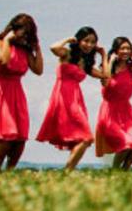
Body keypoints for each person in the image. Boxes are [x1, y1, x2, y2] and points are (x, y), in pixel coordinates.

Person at [36, 27, 107, 169]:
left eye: (93, 42)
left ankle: (68, 171)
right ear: (79, 40)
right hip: (63, 97)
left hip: (76, 99)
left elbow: (106, 77)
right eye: (86, 41)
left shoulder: (86, 62)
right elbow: (53, 48)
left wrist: (103, 55)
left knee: (83, 139)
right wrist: (68, 40)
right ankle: (67, 171)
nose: (89, 45)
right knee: (87, 138)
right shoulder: (67, 54)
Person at [0, 14, 44, 170]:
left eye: (29, 34)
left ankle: (10, 170)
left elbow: (38, 70)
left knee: (20, 137)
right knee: (7, 134)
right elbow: (3, 60)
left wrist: (36, 48)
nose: (26, 36)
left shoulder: (24, 50)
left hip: (16, 91)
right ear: (13, 29)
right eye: (24, 32)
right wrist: (7, 40)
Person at [96, 37, 132, 169]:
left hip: (126, 112)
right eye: (123, 48)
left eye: (128, 48)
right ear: (116, 50)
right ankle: (114, 172)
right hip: (110, 111)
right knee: (125, 144)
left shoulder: (131, 68)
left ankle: (124, 172)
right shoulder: (107, 67)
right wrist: (110, 61)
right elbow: (106, 82)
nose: (126, 51)